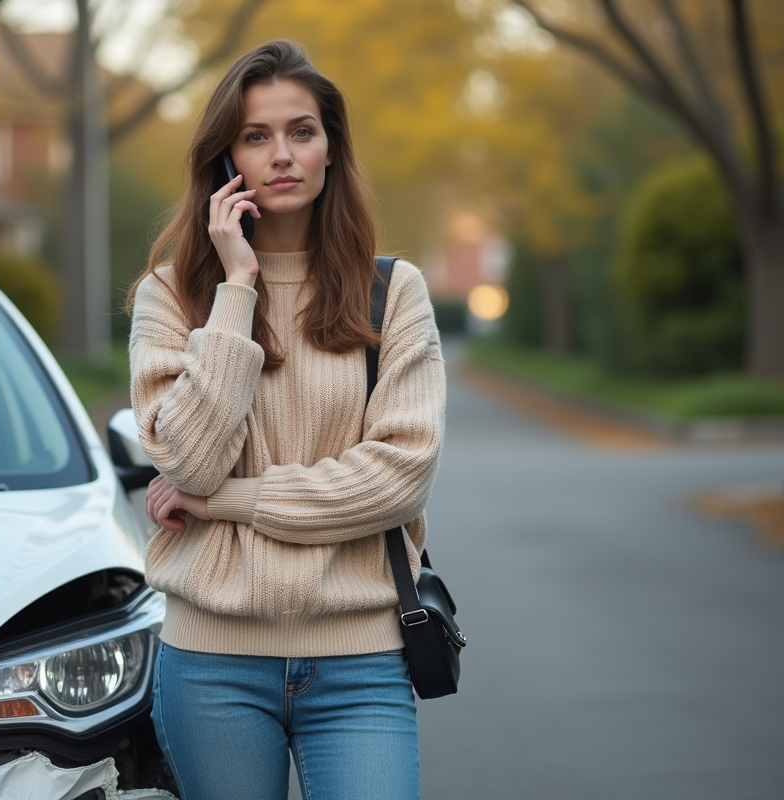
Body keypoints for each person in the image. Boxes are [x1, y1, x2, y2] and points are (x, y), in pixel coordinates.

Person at [125, 39, 446, 800]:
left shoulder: (393, 293)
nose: (282, 154)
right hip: (211, 666)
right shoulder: (168, 298)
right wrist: (236, 286)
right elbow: (193, 462)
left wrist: (228, 504)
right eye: (256, 135)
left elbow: (399, 478)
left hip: (361, 661)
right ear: (226, 157)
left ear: (332, 149)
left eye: (302, 131)